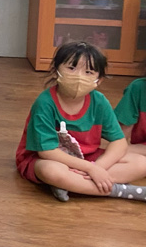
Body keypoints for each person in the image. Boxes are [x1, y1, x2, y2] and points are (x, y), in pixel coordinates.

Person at [15, 41, 146, 202]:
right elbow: (46, 152)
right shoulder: (45, 103)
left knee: (141, 164)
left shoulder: (99, 102)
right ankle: (120, 190)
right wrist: (90, 169)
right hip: (49, 159)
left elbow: (119, 142)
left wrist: (97, 168)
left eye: (89, 72)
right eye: (71, 68)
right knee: (52, 171)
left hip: (87, 158)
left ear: (99, 80)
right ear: (55, 71)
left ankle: (71, 184)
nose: (79, 76)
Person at [114, 76, 146, 156]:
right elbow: (120, 140)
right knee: (116, 152)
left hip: (139, 150)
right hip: (139, 150)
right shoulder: (138, 87)